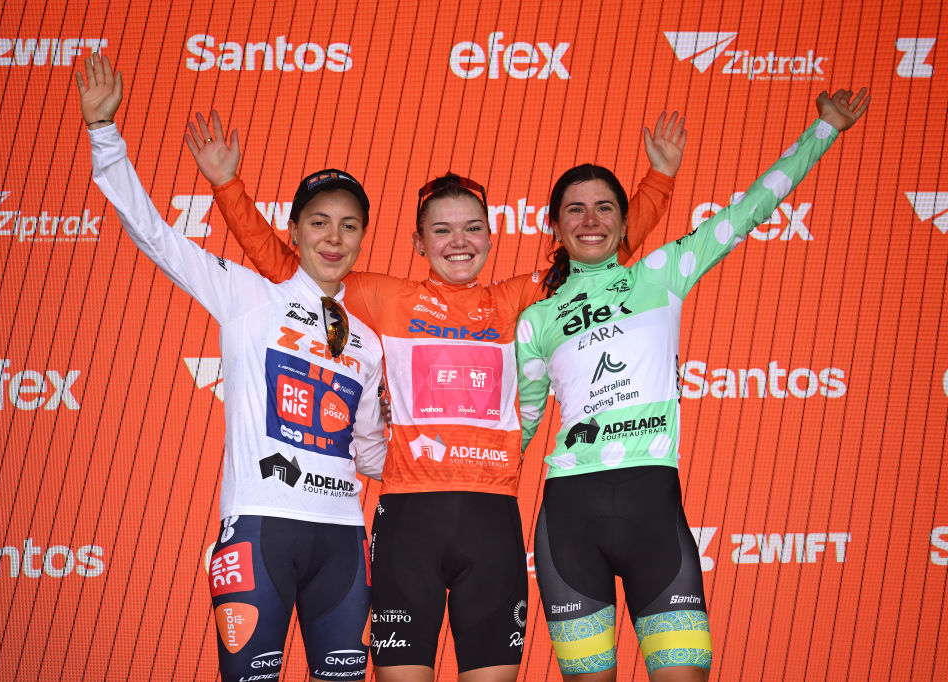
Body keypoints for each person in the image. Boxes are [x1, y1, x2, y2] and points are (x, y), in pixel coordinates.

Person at [185, 108, 686, 682]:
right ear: (419, 242)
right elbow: (285, 269)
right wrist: (228, 188)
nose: (459, 242)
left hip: (492, 518)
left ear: (492, 237)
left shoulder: (515, 300)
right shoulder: (381, 297)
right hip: (407, 522)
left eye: (473, 227)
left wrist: (658, 182)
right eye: (442, 230)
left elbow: (597, 251)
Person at [515, 88, 870, 681]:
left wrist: (824, 131)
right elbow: (519, 426)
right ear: (554, 225)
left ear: (627, 220)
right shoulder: (537, 318)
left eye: (605, 207)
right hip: (568, 515)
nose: (591, 221)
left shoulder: (664, 271)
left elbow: (749, 210)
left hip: (654, 511)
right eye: (575, 210)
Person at [75, 55, 386, 682]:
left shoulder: (371, 339)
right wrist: (104, 136)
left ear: (362, 238)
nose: (334, 238)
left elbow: (372, 453)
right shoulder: (248, 294)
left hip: (342, 539)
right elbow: (157, 237)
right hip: (258, 529)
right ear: (293, 231)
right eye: (319, 222)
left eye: (349, 225)